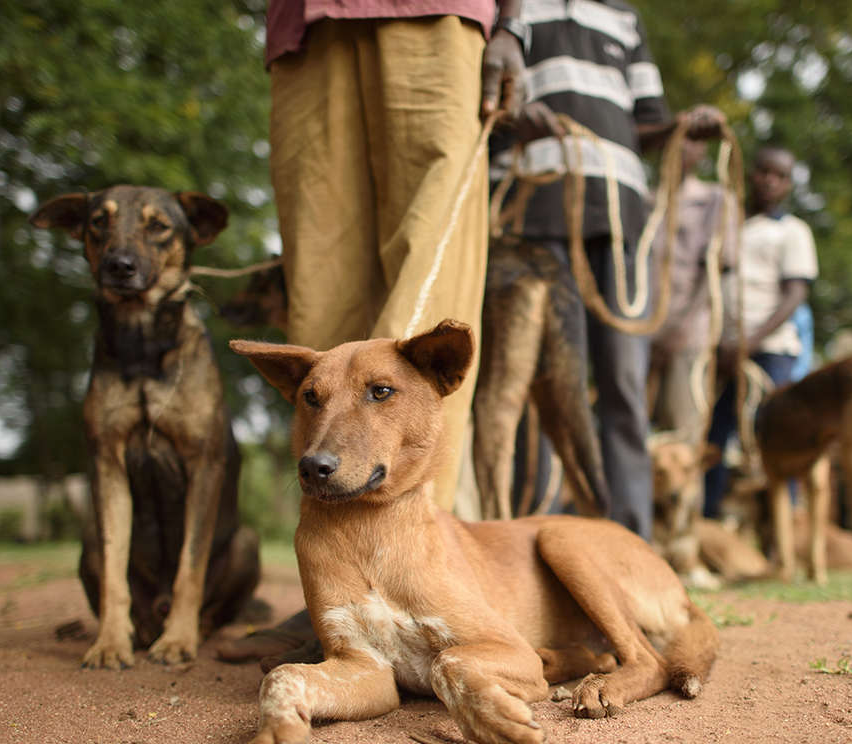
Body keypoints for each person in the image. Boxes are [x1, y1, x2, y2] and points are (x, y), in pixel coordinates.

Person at [219, 0, 528, 670]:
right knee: (321, 297)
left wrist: (514, 26)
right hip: (303, 26)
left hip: (436, 14)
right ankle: (336, 593)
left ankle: (427, 589)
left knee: (431, 287)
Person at [500, 0, 726, 541]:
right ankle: (533, 537)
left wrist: (683, 125)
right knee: (549, 386)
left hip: (622, 219)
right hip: (537, 216)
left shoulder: (623, 18)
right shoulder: (513, 9)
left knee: (625, 385)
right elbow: (490, 97)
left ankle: (631, 544)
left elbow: (645, 123)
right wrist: (514, 118)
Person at [702, 145, 817, 519]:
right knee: (712, 439)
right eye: (765, 171)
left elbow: (795, 294)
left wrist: (749, 343)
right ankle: (708, 521)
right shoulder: (730, 226)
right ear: (753, 173)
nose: (771, 180)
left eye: (781, 176)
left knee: (773, 436)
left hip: (769, 350)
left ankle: (788, 524)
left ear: (788, 185)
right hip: (721, 350)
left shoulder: (792, 231)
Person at [648, 135, 739, 433]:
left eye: (694, 140)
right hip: (643, 335)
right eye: (678, 138)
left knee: (681, 440)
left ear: (703, 150)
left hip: (687, 337)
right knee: (630, 435)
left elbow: (714, 271)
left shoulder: (716, 200)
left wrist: (678, 331)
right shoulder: (646, 201)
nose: (684, 146)